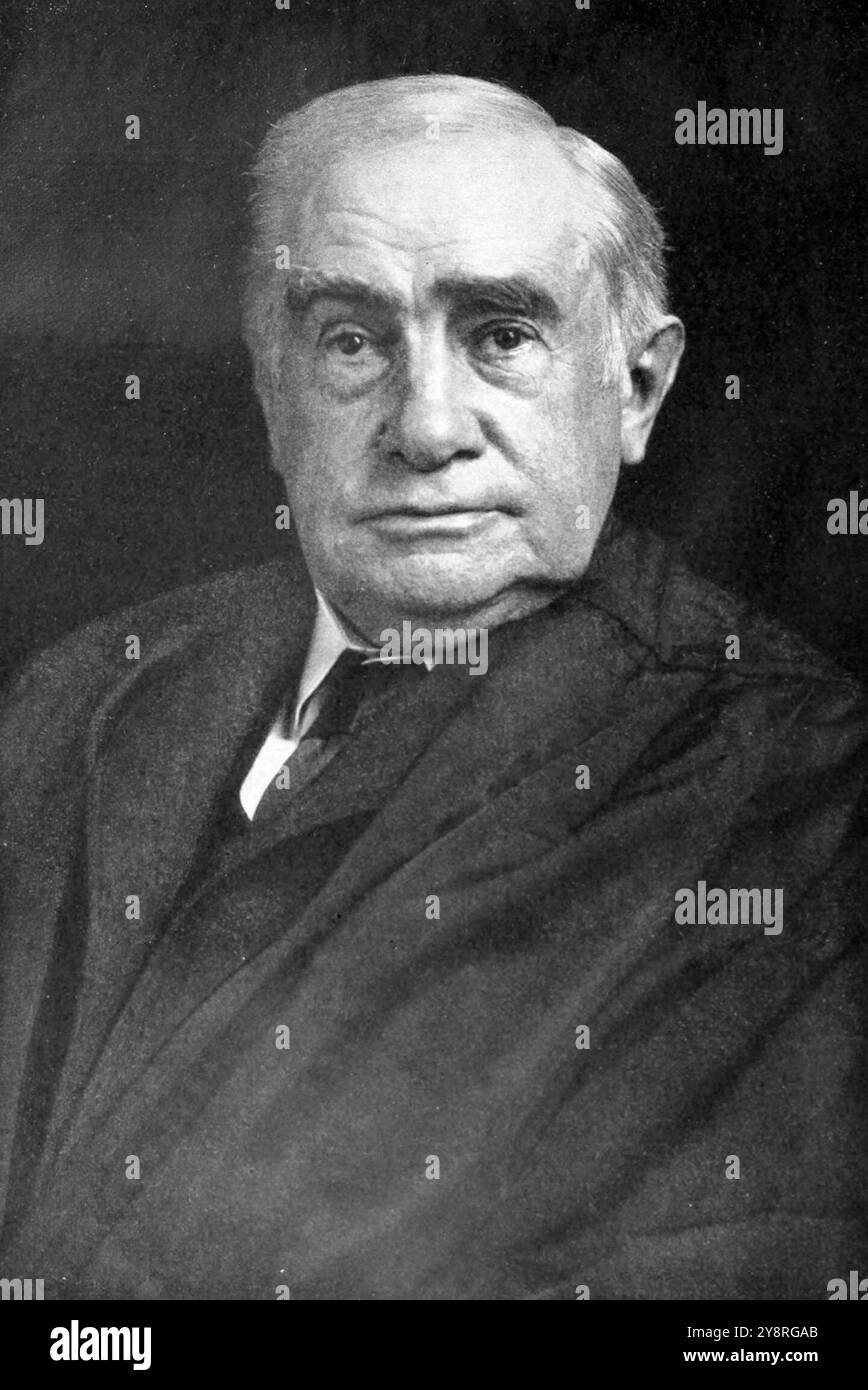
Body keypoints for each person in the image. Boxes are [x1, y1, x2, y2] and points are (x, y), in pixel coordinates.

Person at [0, 74, 864, 1301]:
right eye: (352, 341)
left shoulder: (799, 787)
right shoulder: (78, 695)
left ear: (635, 388)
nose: (425, 426)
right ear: (270, 391)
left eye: (501, 335)